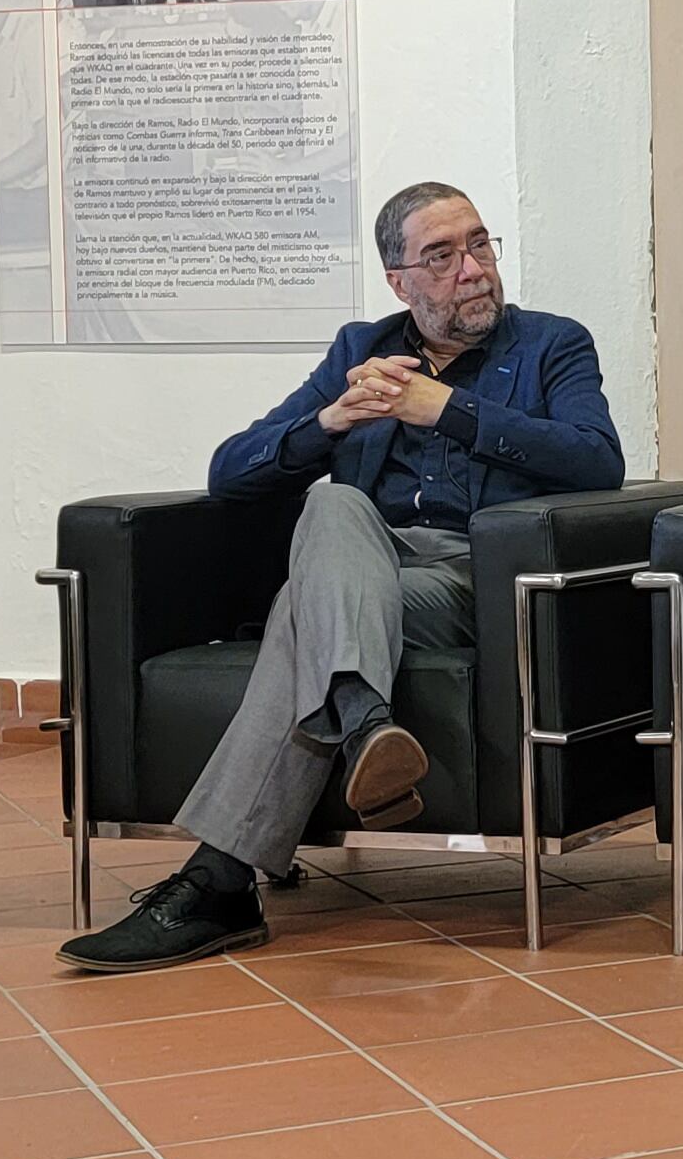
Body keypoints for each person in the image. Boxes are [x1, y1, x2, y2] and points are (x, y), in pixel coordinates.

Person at [57, 183, 625, 972]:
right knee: (332, 512)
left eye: (481, 245)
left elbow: (597, 460)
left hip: (476, 580)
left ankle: (220, 882)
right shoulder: (360, 350)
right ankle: (363, 726)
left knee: (305, 602)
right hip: (368, 570)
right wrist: (328, 422)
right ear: (399, 280)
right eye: (442, 256)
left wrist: (446, 410)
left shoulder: (553, 345)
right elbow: (230, 472)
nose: (474, 270)